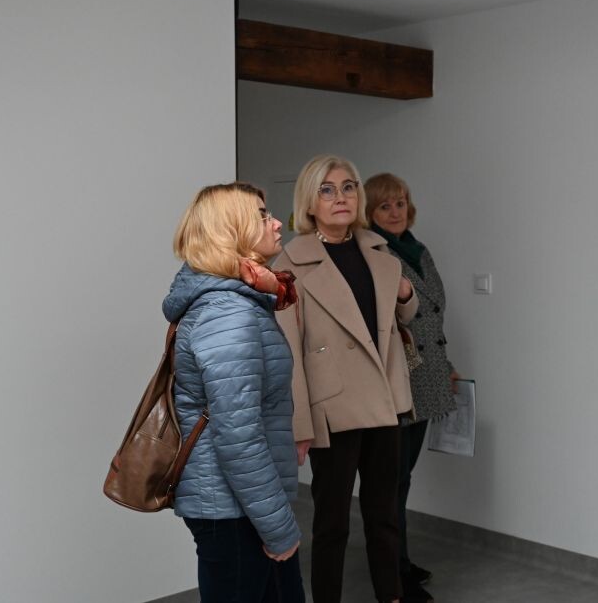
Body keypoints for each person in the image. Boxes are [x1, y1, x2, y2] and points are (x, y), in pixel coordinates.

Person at [272, 155, 417, 603]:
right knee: (332, 523)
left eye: (349, 187)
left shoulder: (378, 249)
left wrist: (407, 294)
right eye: (328, 190)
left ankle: (391, 596)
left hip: (384, 400)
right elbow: (288, 350)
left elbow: (397, 318)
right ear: (309, 202)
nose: (341, 198)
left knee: (385, 516)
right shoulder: (290, 263)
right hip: (333, 407)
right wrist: (300, 425)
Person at [162, 182, 305, 603]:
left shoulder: (237, 302)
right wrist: (277, 528)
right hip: (234, 510)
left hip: (242, 504)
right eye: (262, 216)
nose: (276, 223)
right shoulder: (228, 313)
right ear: (231, 231)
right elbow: (238, 436)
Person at [365, 173, 461, 603]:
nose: (395, 212)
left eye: (400, 203)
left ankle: (400, 562)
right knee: (390, 484)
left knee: (402, 479)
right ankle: (394, 575)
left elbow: (432, 318)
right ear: (370, 213)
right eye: (385, 206)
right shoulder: (374, 254)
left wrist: (447, 366)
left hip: (426, 378)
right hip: (394, 384)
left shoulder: (418, 251)